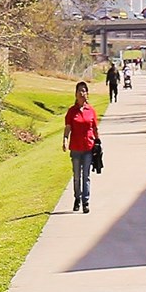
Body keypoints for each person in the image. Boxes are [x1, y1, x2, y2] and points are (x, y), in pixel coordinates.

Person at [62, 80, 100, 213]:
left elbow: (94, 128)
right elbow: (68, 128)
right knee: (77, 176)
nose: (82, 93)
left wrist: (98, 142)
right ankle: (77, 198)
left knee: (86, 176)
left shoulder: (91, 111)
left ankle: (86, 201)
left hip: (88, 148)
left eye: (84, 90)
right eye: (79, 90)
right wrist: (65, 140)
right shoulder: (72, 111)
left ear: (87, 94)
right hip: (76, 148)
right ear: (76, 94)